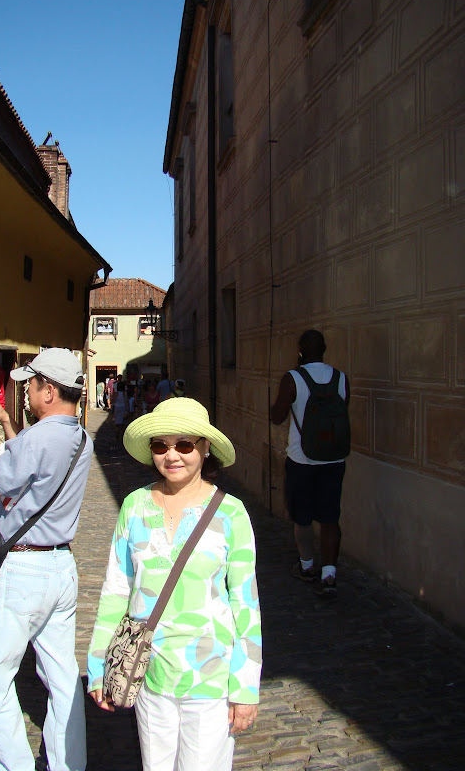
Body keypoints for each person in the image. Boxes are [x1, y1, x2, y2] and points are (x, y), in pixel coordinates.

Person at [87, 397, 262, 771]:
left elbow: (245, 603)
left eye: (184, 445)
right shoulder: (134, 506)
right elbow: (116, 589)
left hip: (211, 678)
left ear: (205, 448)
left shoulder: (231, 513)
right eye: (160, 446)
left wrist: (245, 686)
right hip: (148, 674)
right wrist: (99, 662)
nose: (171, 456)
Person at [0, 348, 93, 771]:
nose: (27, 393)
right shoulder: (81, 438)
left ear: (49, 391)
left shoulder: (38, 439)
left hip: (24, 572)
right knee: (62, 679)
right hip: (61, 568)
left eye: (31, 385)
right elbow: (36, 464)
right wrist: (5, 420)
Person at [271, 329, 350, 596]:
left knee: (302, 517)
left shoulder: (293, 378)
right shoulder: (341, 378)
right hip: (334, 458)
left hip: (301, 459)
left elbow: (278, 417)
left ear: (300, 351)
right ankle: (329, 574)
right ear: (324, 349)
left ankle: (306, 566)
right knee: (330, 517)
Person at [111, 380, 127, 444]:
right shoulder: (124, 394)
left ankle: (117, 435)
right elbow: (126, 401)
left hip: (117, 408)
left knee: (117, 422)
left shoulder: (116, 393)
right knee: (122, 422)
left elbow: (113, 401)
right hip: (123, 408)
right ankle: (122, 435)